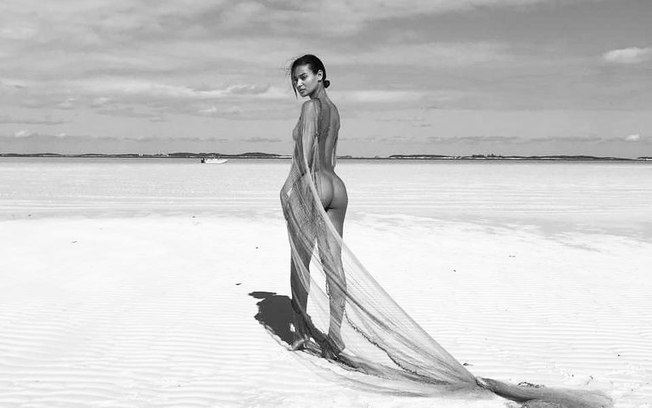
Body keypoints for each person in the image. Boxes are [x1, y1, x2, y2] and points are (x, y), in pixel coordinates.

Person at [280, 54, 348, 359]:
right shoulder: (334, 111)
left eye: (303, 76)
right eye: (296, 79)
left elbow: (305, 155)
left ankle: (300, 332)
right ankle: (335, 336)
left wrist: (287, 187)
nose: (299, 84)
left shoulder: (310, 108)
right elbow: (331, 157)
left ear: (319, 75)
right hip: (337, 187)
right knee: (334, 263)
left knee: (300, 260)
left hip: (315, 184)